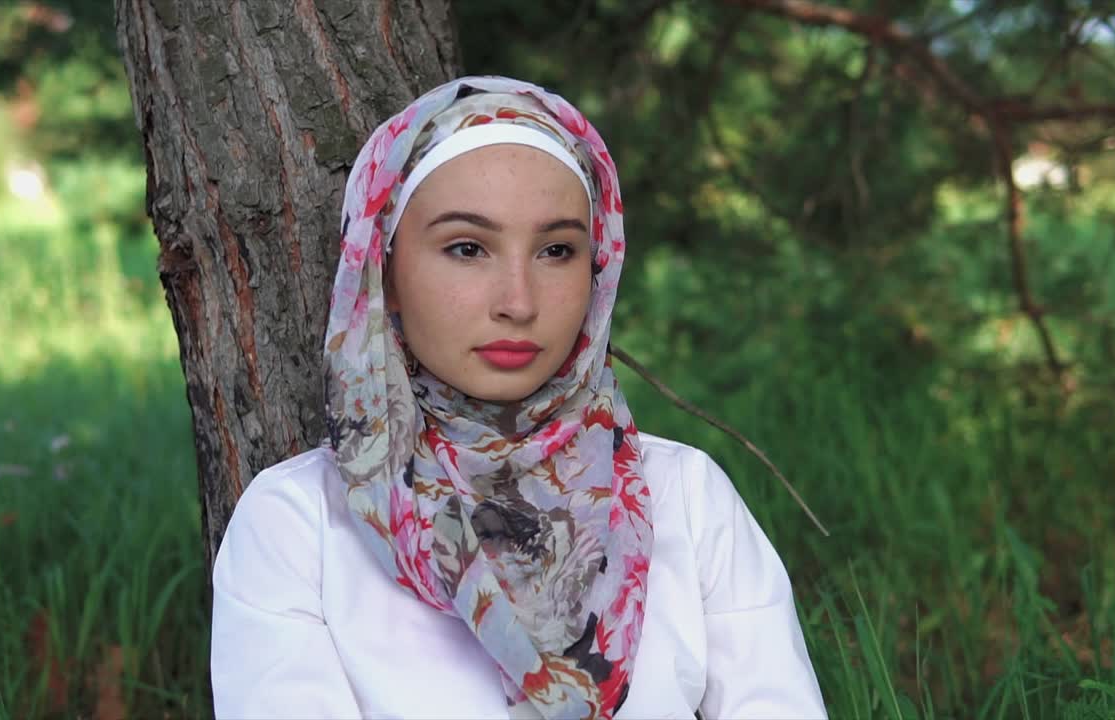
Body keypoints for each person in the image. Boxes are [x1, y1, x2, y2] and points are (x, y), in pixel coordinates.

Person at [209, 75, 826, 720]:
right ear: (382, 271)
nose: (519, 301)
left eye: (556, 250)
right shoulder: (298, 524)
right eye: (467, 248)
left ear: (598, 266)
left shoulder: (687, 500)